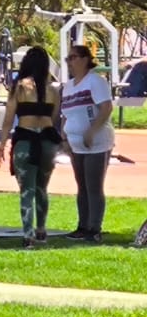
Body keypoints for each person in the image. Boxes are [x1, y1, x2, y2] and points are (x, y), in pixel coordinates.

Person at [0, 46, 62, 248]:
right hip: (48, 142)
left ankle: (28, 234)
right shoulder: (53, 90)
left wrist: (2, 145)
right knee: (42, 188)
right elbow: (54, 118)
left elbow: (8, 119)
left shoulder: (20, 87)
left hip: (25, 140)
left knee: (27, 190)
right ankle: (41, 229)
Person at [60, 42, 114, 242]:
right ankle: (83, 226)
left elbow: (106, 108)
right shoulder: (68, 87)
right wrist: (64, 137)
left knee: (93, 186)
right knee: (81, 186)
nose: (69, 62)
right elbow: (66, 114)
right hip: (75, 144)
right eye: (68, 59)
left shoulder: (95, 82)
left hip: (96, 143)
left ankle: (94, 228)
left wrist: (92, 131)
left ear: (85, 59)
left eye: (73, 58)